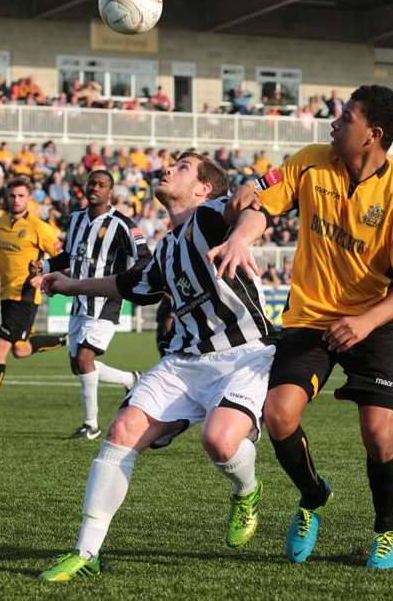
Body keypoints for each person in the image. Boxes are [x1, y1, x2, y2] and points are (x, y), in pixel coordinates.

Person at [214, 84, 393, 570]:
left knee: (378, 435)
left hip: (371, 322)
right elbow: (259, 204)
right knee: (279, 414)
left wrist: (365, 321)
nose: (334, 121)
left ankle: (387, 531)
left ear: (372, 134)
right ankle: (313, 496)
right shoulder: (311, 161)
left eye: (346, 116)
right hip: (309, 319)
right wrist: (243, 231)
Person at [37, 152, 276, 582]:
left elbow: (254, 211)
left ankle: (247, 490)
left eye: (182, 167)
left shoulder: (210, 215)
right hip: (183, 361)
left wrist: (241, 238)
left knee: (219, 442)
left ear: (203, 188)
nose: (167, 170)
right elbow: (129, 285)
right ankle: (86, 551)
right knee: (121, 431)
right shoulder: (166, 248)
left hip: (245, 353)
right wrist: (70, 284)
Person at [32, 170, 148, 440]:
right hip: (79, 300)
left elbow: (144, 258)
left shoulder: (122, 224)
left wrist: (124, 282)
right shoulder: (75, 220)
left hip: (106, 301)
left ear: (111, 191)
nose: (95, 188)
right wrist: (45, 266)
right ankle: (131, 380)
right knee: (78, 364)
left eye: (101, 185)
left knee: (85, 358)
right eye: (92, 183)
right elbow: (69, 256)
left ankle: (91, 425)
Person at [0, 177, 66, 422]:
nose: (16, 200)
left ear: (29, 198)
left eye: (20, 196)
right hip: (6, 295)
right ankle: (65, 342)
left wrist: (45, 277)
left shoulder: (40, 227)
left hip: (25, 296)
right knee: (21, 350)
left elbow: (60, 258)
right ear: (7, 197)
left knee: (0, 348)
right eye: (12, 196)